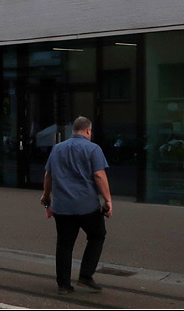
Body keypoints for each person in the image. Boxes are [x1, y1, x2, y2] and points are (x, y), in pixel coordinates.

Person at [41, 116, 112, 295]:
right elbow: (99, 175)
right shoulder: (93, 148)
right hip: (86, 205)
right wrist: (108, 200)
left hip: (62, 206)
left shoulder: (57, 149)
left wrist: (46, 197)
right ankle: (86, 276)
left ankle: (63, 285)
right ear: (88, 131)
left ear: (73, 130)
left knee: (64, 244)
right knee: (97, 236)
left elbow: (48, 175)